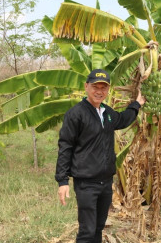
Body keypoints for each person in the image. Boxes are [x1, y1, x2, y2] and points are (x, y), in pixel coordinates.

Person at [55, 68, 145, 243]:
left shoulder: (107, 112)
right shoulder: (76, 114)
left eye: (104, 88)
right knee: (87, 231)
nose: (99, 91)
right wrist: (63, 181)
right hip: (86, 183)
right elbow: (65, 146)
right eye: (96, 86)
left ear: (108, 90)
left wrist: (137, 103)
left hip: (105, 182)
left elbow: (123, 119)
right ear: (86, 86)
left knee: (98, 227)